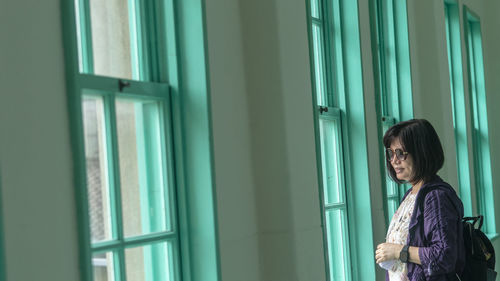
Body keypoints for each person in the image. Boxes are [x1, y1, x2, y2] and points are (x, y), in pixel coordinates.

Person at [374, 119, 465, 281]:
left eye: (401, 153)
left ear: (422, 153)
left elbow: (444, 256)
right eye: (391, 153)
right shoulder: (411, 194)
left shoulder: (435, 197)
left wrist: (398, 251)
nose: (394, 160)